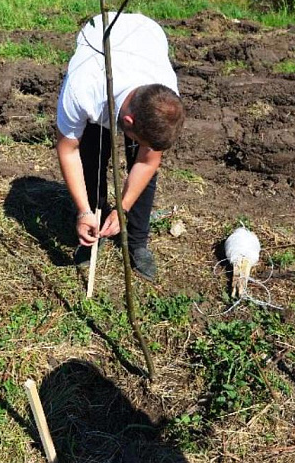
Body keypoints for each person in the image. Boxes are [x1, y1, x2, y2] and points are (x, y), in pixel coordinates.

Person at [55, 12, 185, 281]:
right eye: (138, 137)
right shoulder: (82, 90)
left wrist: (123, 207)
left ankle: (137, 240)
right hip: (97, 53)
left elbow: (149, 161)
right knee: (91, 157)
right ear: (128, 121)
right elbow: (68, 150)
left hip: (146, 36)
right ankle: (92, 226)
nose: (142, 147)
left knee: (142, 164)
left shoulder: (164, 96)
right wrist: (83, 210)